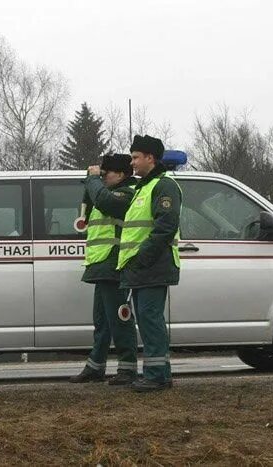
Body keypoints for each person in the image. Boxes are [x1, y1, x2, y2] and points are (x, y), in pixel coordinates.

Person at [117, 134, 182, 392]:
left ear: (150, 158)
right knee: (146, 319)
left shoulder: (163, 185)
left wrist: (142, 257)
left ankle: (155, 375)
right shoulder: (144, 186)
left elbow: (165, 226)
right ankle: (159, 373)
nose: (132, 163)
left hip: (153, 264)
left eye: (135, 158)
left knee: (150, 318)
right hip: (142, 267)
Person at [69, 153, 140, 385]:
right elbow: (87, 212)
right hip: (102, 264)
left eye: (106, 173)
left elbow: (105, 202)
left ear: (120, 174)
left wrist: (93, 180)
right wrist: (91, 181)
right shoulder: (105, 192)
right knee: (102, 321)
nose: (103, 176)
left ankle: (127, 369)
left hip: (116, 264)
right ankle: (95, 366)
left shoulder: (127, 193)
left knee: (120, 319)